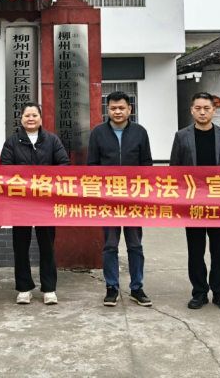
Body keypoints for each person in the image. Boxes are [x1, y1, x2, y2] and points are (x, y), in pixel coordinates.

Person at [170, 92, 220, 311]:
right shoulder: (182, 136)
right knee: (195, 249)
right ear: (192, 110)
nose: (202, 112)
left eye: (206, 108)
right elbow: (174, 171)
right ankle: (199, 292)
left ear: (213, 111)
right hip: (192, 204)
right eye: (198, 108)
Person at [87, 91, 153, 308]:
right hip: (109, 199)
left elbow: (147, 165)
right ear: (107, 109)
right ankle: (112, 288)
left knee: (135, 245)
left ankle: (137, 288)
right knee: (110, 245)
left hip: (134, 199)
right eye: (113, 108)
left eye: (121, 108)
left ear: (129, 109)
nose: (117, 112)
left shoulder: (140, 132)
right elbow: (92, 166)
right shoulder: (98, 133)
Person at [1, 102, 69, 305]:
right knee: (20, 246)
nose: (31, 119)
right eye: (27, 115)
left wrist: (44, 178)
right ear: (21, 118)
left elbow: (64, 165)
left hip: (45, 202)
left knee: (47, 246)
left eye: (34, 115)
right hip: (20, 203)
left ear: (40, 118)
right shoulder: (12, 142)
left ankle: (49, 288)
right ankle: (24, 288)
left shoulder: (52, 140)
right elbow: (5, 169)